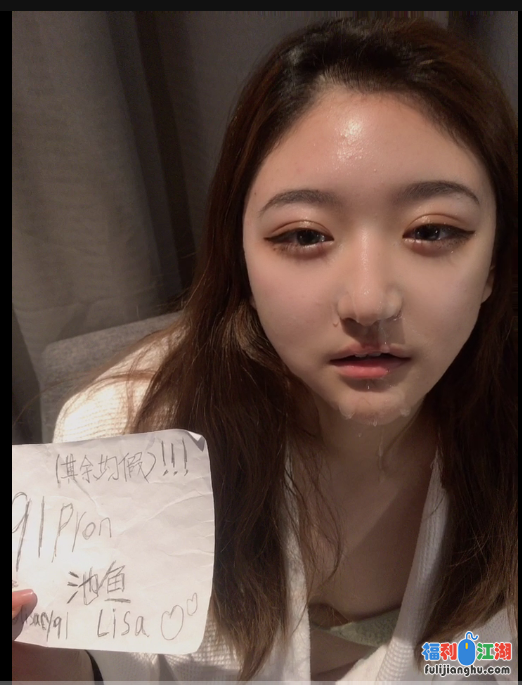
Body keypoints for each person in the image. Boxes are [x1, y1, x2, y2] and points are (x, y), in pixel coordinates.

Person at [12, 16, 517, 682]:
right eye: (304, 235)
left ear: (494, 264)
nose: (369, 302)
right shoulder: (127, 433)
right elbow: (101, 671)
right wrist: (37, 658)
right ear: (241, 258)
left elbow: (490, 658)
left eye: (432, 230)